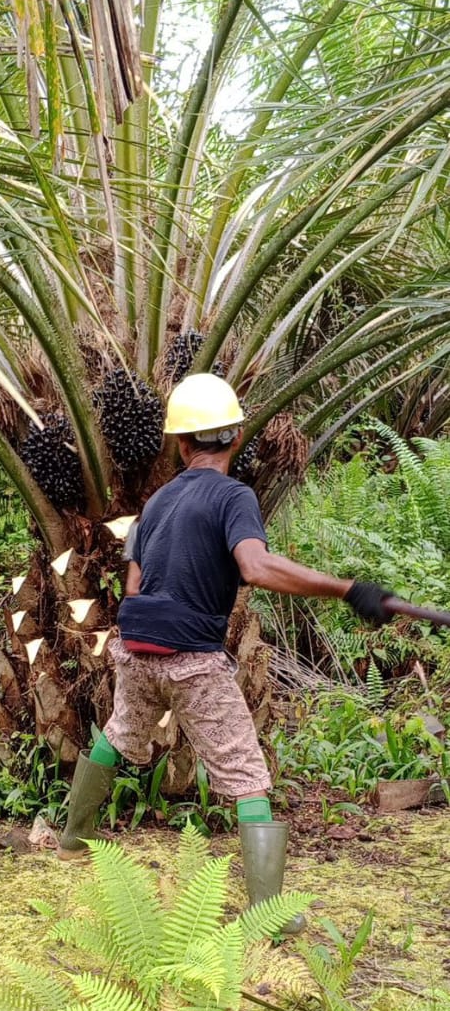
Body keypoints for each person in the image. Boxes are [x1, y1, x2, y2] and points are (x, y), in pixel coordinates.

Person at [58, 374, 390, 933]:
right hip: (192, 656)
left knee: (119, 733)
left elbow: (135, 586)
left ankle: (73, 840)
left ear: (183, 445)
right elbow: (256, 567)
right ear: (235, 438)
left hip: (134, 644)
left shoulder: (155, 504)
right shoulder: (235, 496)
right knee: (245, 771)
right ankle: (266, 914)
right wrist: (347, 589)